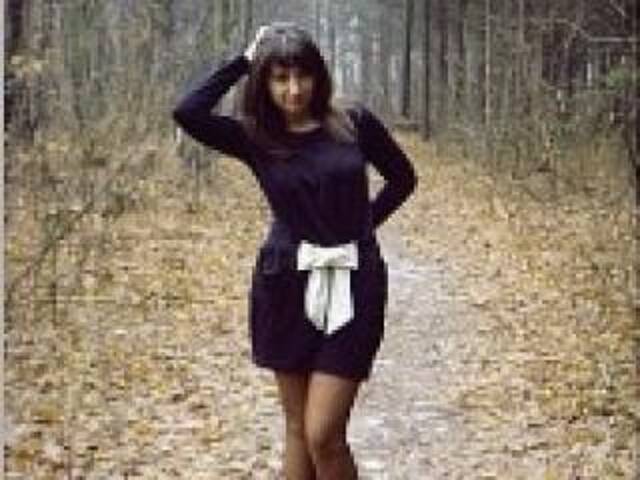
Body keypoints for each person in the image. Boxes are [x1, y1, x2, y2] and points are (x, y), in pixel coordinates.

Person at [173, 22, 417, 480]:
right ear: (264, 82)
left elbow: (403, 179)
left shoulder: (353, 122)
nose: (294, 89)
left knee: (323, 433)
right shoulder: (254, 136)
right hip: (284, 282)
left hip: (355, 282)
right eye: (280, 77)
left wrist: (360, 227)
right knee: (296, 429)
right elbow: (187, 111)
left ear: (318, 75)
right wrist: (244, 60)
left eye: (303, 75)